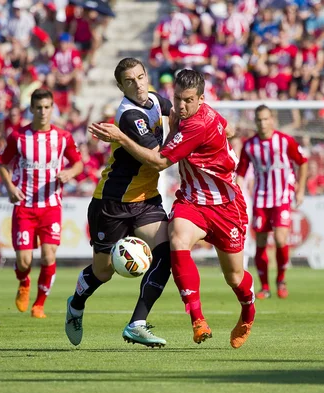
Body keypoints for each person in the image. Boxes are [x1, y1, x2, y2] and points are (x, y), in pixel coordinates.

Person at [90, 69, 255, 349]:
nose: (180, 106)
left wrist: (120, 136)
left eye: (188, 100)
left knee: (235, 277)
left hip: (225, 206)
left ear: (201, 100)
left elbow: (159, 162)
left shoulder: (196, 125)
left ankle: (248, 311)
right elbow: (229, 128)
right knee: (177, 239)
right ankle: (197, 319)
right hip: (192, 200)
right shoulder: (190, 114)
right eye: (177, 98)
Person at [65, 57, 174, 348]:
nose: (138, 84)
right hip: (112, 202)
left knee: (166, 252)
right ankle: (76, 304)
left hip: (147, 200)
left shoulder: (154, 99)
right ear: (120, 86)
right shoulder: (128, 116)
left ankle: (137, 324)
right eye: (130, 80)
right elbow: (159, 161)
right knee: (103, 272)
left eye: (140, 76)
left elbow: (180, 113)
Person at [0, 88, 84, 319]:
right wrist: (10, 187)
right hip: (24, 206)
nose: (43, 112)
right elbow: (3, 164)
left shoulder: (63, 137)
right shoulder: (18, 137)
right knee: (24, 260)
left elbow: (78, 164)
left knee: (48, 256)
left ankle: (39, 304)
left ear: (52, 108)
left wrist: (69, 173)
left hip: (51, 206)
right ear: (31, 109)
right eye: (38, 108)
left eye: (47, 107)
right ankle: (24, 282)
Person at [235, 105, 308, 299]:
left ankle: (281, 280)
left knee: (280, 239)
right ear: (255, 121)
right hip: (260, 198)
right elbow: (240, 173)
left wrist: (300, 189)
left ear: (272, 120)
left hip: (282, 196)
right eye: (259, 120)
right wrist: (238, 195)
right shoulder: (250, 145)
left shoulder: (285, 141)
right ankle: (265, 287)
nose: (262, 123)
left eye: (266, 119)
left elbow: (302, 162)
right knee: (260, 242)